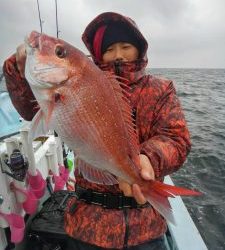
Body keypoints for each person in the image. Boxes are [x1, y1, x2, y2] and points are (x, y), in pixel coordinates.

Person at [3, 12, 191, 250]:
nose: (119, 54)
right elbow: (30, 112)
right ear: (97, 52)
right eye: (110, 48)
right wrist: (17, 68)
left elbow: (177, 139)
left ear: (140, 49)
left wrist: (148, 159)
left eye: (126, 46)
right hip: (87, 225)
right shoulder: (81, 79)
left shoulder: (160, 88)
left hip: (146, 226)